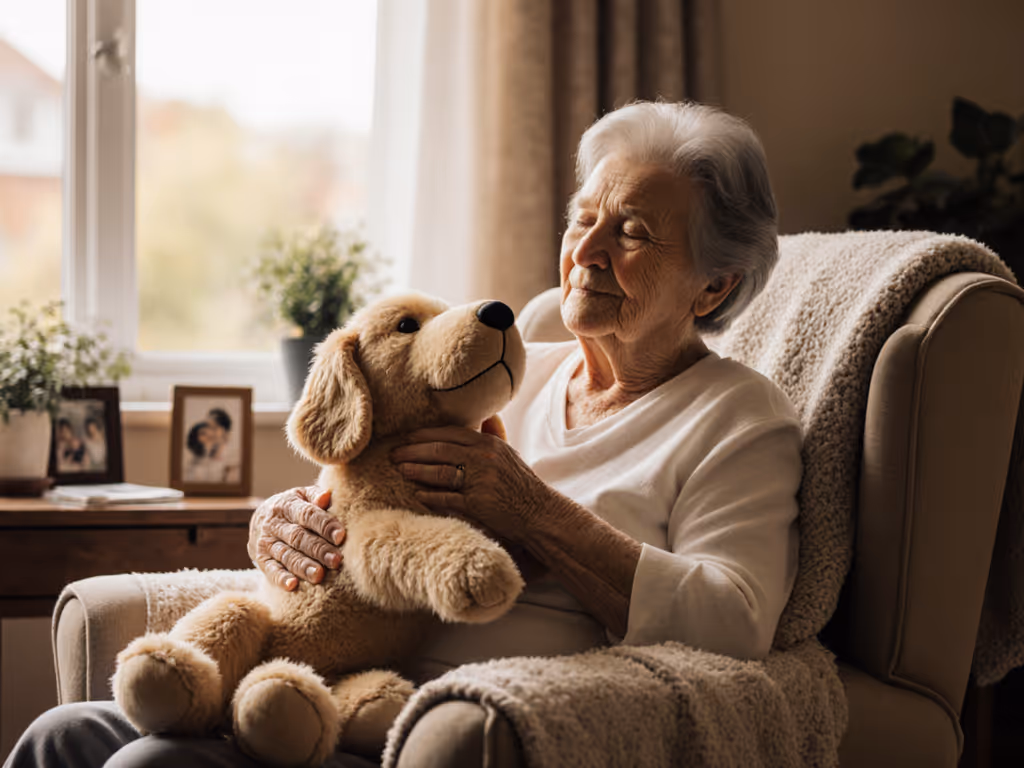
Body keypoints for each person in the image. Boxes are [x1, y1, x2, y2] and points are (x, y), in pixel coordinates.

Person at [6, 101, 801, 767]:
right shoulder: (516, 371)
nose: (586, 252)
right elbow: (368, 501)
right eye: (583, 219)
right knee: (59, 737)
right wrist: (285, 526)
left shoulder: (738, 417)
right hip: (330, 673)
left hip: (423, 724)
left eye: (631, 233)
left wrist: (533, 512)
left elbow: (734, 623)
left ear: (713, 284)